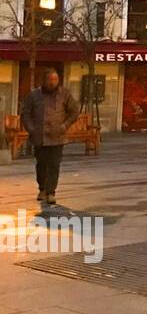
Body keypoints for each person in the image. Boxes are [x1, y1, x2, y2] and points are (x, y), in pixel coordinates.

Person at [20, 69, 80, 210]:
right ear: (44, 80)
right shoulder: (34, 95)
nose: (52, 83)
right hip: (39, 136)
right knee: (41, 164)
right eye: (50, 80)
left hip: (57, 136)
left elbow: (74, 111)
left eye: (55, 80)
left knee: (54, 164)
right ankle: (42, 188)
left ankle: (51, 192)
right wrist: (31, 129)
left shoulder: (64, 94)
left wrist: (65, 125)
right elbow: (26, 114)